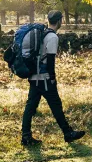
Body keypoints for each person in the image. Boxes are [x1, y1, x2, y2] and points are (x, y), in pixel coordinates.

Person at [21, 10, 85, 146]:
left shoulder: (41, 34)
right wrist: (52, 79)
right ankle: (68, 133)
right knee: (56, 105)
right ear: (60, 21)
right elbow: (50, 61)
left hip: (34, 77)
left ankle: (26, 136)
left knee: (30, 107)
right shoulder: (52, 37)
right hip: (44, 78)